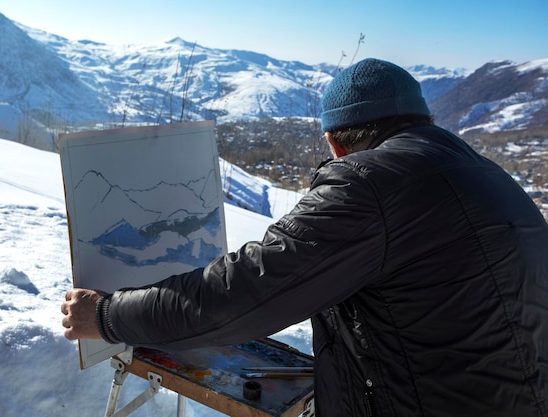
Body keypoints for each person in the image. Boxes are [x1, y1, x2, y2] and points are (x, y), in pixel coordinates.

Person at [61, 58, 548, 416]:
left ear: (336, 142)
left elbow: (240, 293)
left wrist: (105, 315)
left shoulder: (368, 183)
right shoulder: (483, 172)